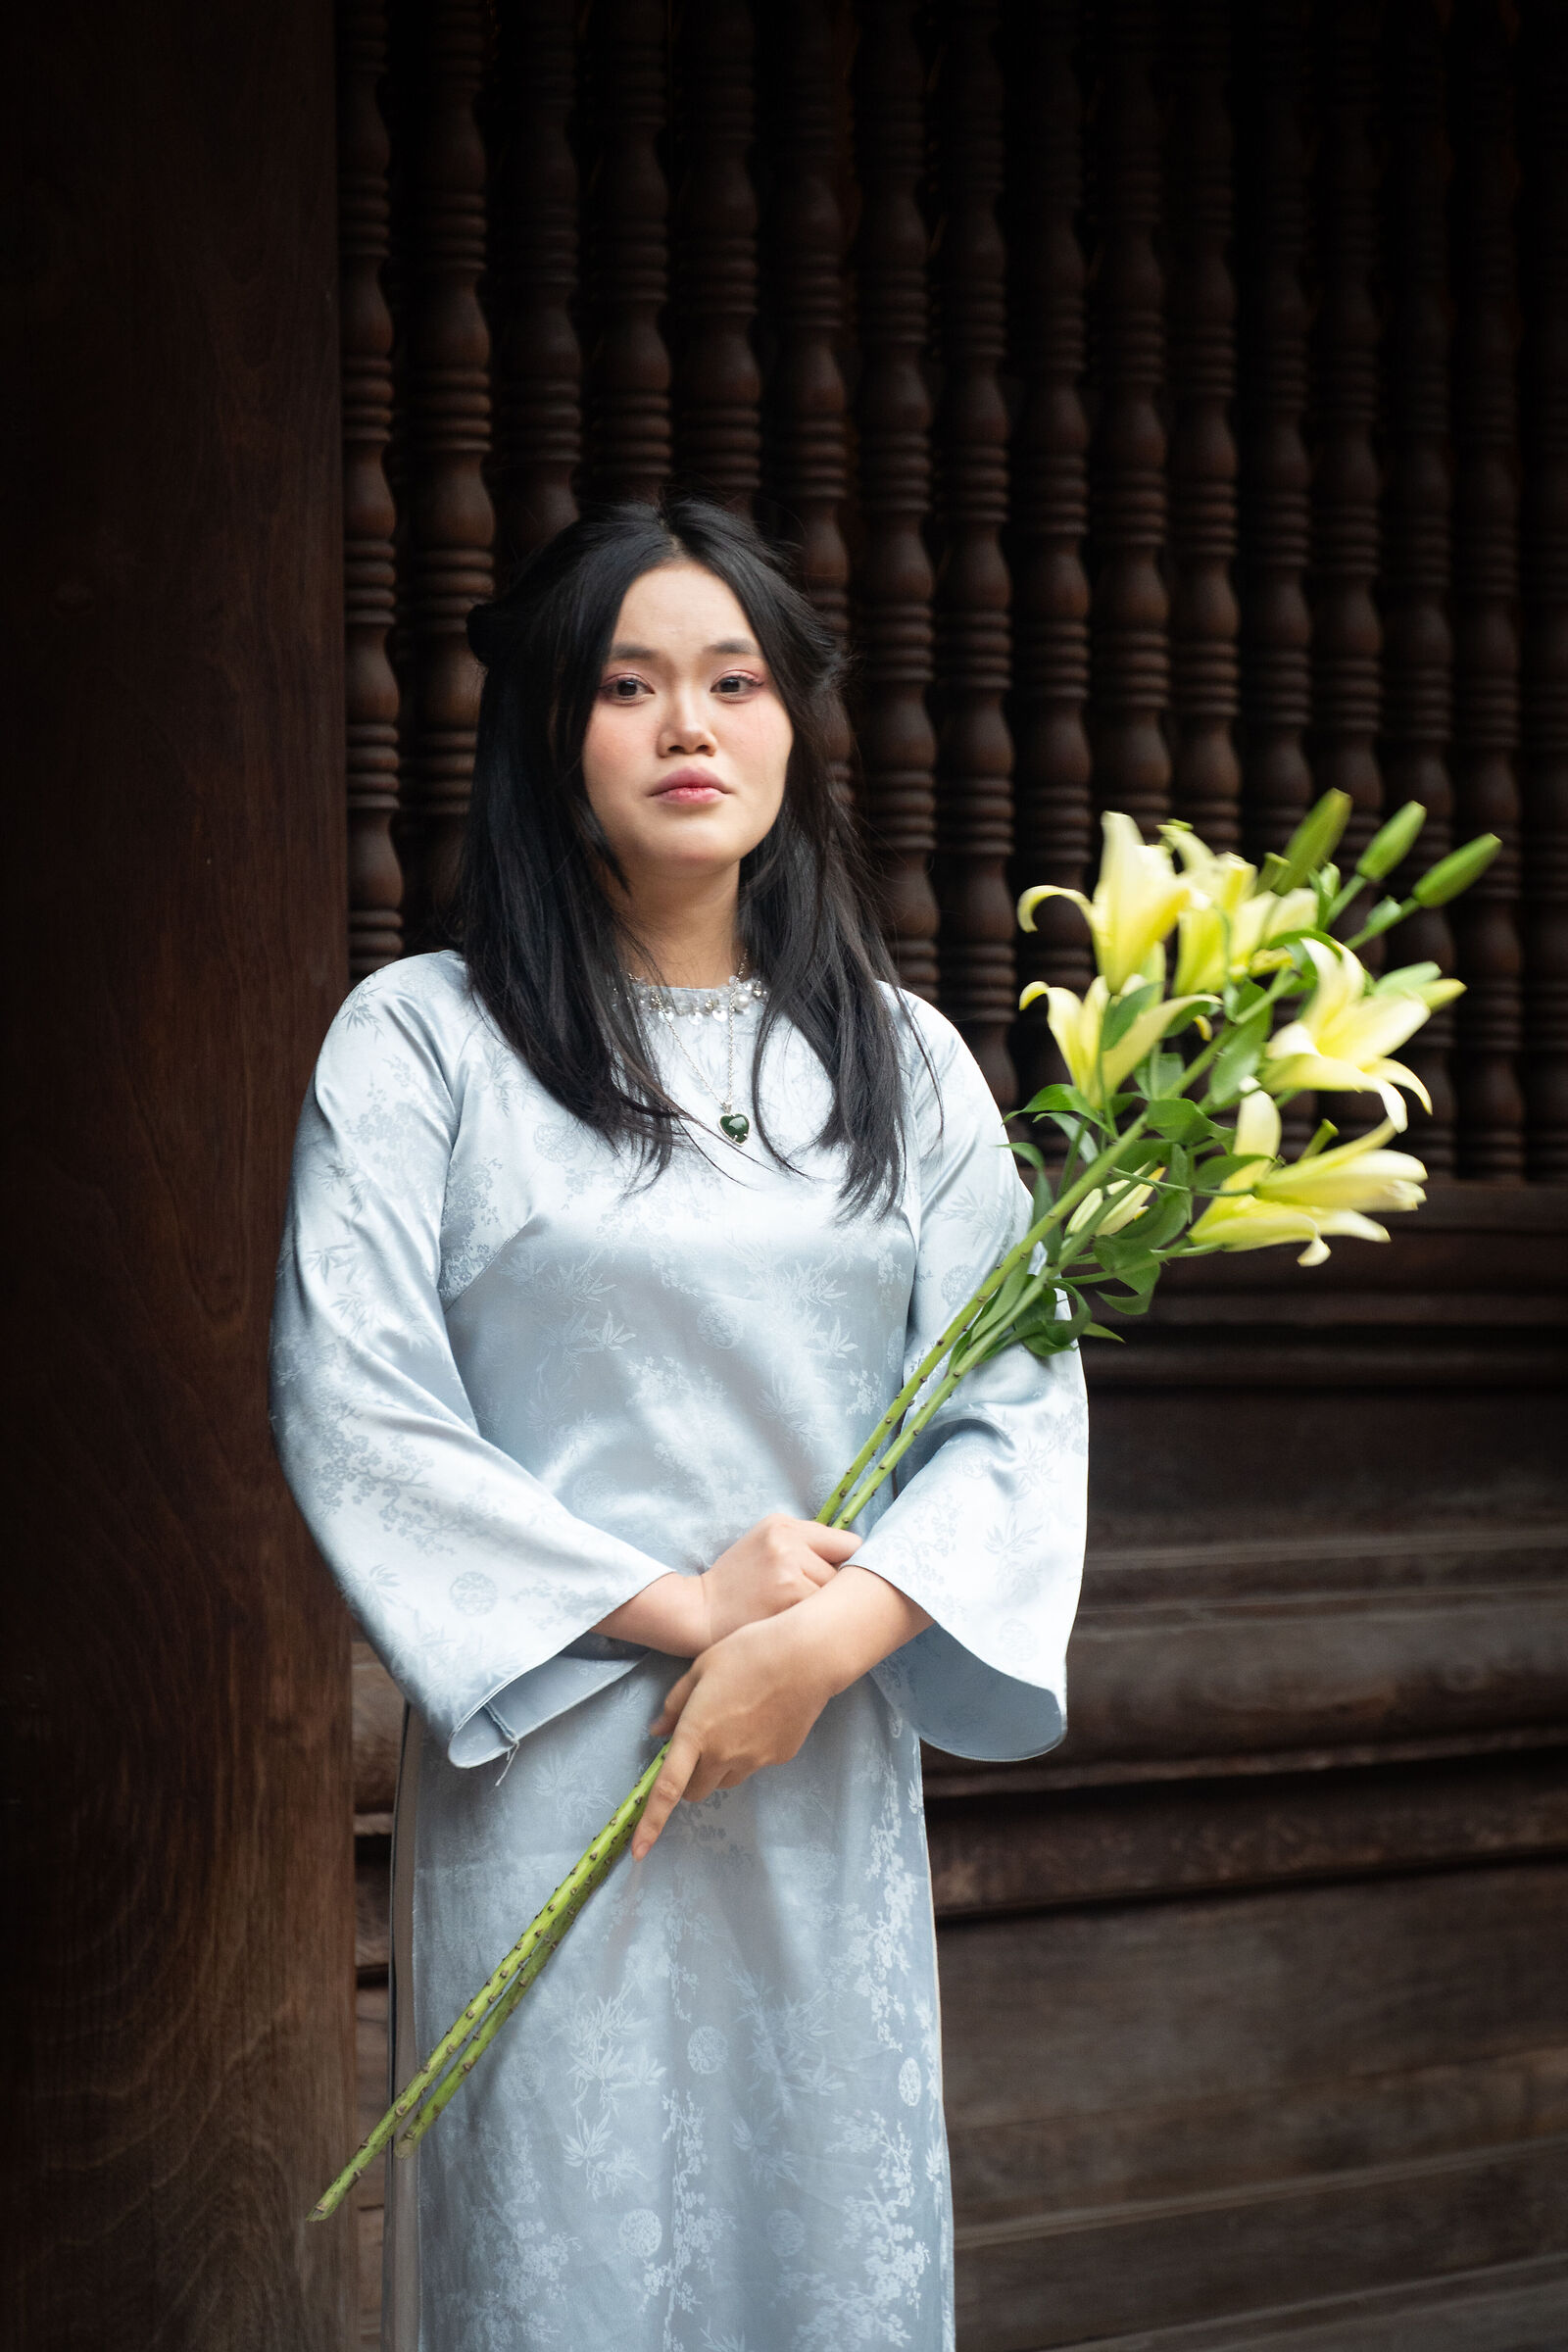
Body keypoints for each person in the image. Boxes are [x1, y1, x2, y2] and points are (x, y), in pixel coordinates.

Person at [270, 497, 1086, 2352]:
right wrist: (690, 1611)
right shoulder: (425, 1044)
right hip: (558, 1759)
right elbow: (357, 1404)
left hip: (818, 1771)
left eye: (732, 681)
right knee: (556, 2261)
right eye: (630, 686)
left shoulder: (906, 1062)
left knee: (822, 2258)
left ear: (794, 729)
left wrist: (823, 1642)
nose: (688, 726)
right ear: (556, 739)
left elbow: (1015, 1404)